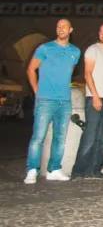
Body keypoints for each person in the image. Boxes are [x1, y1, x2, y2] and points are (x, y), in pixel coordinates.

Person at [23, 19, 81, 184]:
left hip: (64, 100)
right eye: (58, 26)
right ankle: (32, 170)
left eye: (64, 26)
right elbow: (30, 69)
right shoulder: (45, 48)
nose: (60, 28)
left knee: (60, 137)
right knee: (38, 137)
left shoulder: (75, 52)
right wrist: (37, 91)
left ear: (71, 30)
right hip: (45, 99)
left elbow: (69, 72)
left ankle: (54, 169)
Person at [72, 23, 103, 180]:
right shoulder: (93, 49)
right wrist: (95, 96)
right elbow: (87, 74)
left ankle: (93, 170)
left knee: (102, 139)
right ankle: (78, 171)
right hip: (95, 98)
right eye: (101, 32)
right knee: (90, 136)